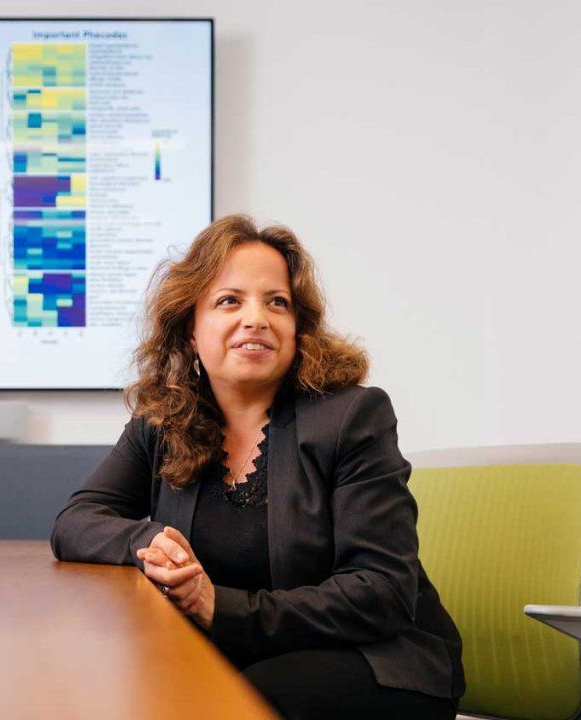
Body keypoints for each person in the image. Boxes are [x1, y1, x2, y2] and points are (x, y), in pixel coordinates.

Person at [50, 214, 465, 719]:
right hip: (246, 659)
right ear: (190, 330)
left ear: (297, 328)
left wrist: (218, 607)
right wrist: (151, 541)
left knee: (238, 698)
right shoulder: (163, 423)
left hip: (377, 663)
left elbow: (381, 592)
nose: (257, 319)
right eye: (230, 300)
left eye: (277, 303)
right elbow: (75, 522)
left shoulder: (353, 417)